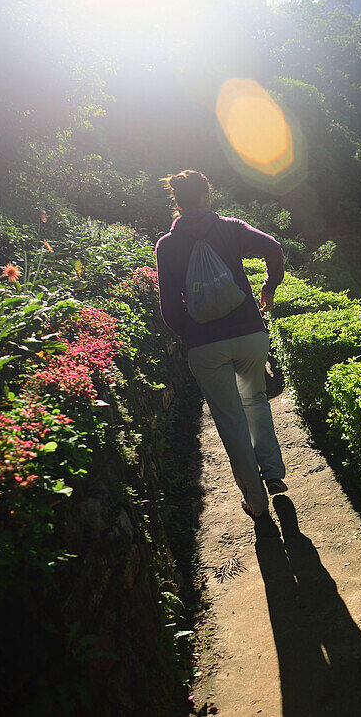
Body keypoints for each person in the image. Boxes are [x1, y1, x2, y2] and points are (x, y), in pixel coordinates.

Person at [155, 170, 286, 523]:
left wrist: (190, 335)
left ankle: (257, 503)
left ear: (177, 202)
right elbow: (274, 247)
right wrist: (269, 287)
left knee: (230, 422)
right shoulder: (230, 226)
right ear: (206, 195)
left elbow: (169, 308)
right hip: (249, 332)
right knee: (255, 400)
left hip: (205, 346)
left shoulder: (167, 245)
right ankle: (273, 473)